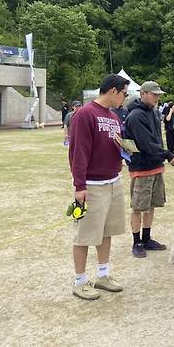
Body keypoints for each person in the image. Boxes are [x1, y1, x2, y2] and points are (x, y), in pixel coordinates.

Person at [68, 74, 129, 300]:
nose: (125, 97)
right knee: (85, 235)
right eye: (124, 93)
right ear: (113, 90)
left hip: (113, 181)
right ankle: (80, 281)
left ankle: (103, 275)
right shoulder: (85, 114)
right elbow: (78, 152)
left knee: (107, 232)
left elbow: (115, 147)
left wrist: (125, 149)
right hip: (92, 185)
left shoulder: (114, 117)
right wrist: (79, 185)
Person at [125, 81, 174, 258]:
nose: (157, 98)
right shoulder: (135, 116)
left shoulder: (154, 113)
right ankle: (136, 242)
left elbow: (157, 140)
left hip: (155, 166)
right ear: (143, 93)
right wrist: (168, 155)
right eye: (154, 94)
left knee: (151, 205)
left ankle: (147, 238)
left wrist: (162, 156)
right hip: (141, 167)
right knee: (138, 206)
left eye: (158, 95)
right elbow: (146, 143)